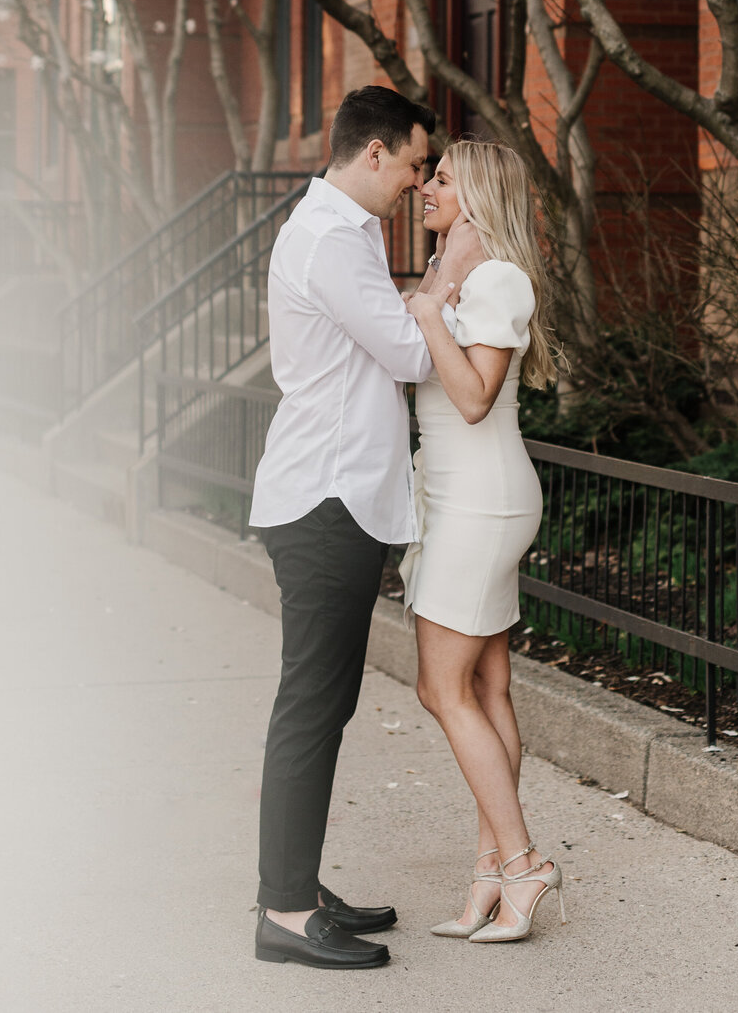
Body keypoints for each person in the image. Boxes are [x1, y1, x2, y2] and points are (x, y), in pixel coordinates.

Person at [249, 87, 483, 970]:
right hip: (325, 501)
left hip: (331, 498)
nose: (419, 183)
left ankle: (296, 888)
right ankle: (282, 909)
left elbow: (396, 336)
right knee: (311, 706)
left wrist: (428, 288)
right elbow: (415, 351)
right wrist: (453, 266)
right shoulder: (329, 241)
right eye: (417, 163)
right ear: (375, 153)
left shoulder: (340, 235)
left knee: (323, 703)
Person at [402, 138, 566, 944]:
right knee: (489, 688)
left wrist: (429, 311)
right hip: (457, 499)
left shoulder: (496, 278)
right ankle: (490, 881)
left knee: (442, 689)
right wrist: (432, 292)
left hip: (483, 502)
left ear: (476, 195)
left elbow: (473, 399)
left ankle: (524, 862)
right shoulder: (448, 274)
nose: (424, 188)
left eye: (440, 179)